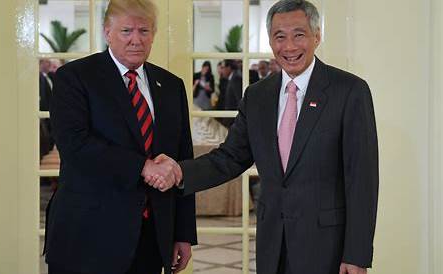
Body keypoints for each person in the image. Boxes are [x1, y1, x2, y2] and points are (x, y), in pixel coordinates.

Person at [147, 0, 378, 273]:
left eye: (299, 34)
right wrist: (178, 172)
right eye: (280, 37)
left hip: (327, 248)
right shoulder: (257, 96)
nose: (289, 46)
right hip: (272, 245)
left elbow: (362, 180)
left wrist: (357, 254)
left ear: (317, 36)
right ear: (270, 40)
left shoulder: (349, 91)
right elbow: (230, 158)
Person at [44, 1, 197, 274]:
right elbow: (75, 145)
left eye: (144, 31)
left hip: (150, 239)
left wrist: (183, 233)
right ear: (107, 32)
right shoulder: (75, 77)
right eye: (126, 31)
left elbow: (182, 159)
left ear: (154, 34)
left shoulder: (172, 86)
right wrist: (143, 166)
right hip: (86, 237)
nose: (136, 40)